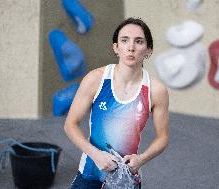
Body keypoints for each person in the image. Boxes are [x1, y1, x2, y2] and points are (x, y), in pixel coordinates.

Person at [64, 17, 169, 189]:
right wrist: (96, 155)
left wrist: (141, 159)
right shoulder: (95, 79)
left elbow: (163, 138)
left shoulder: (156, 90)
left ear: (148, 50)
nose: (131, 47)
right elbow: (70, 124)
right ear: (116, 47)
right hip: (91, 172)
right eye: (124, 40)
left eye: (139, 41)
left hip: (127, 177)